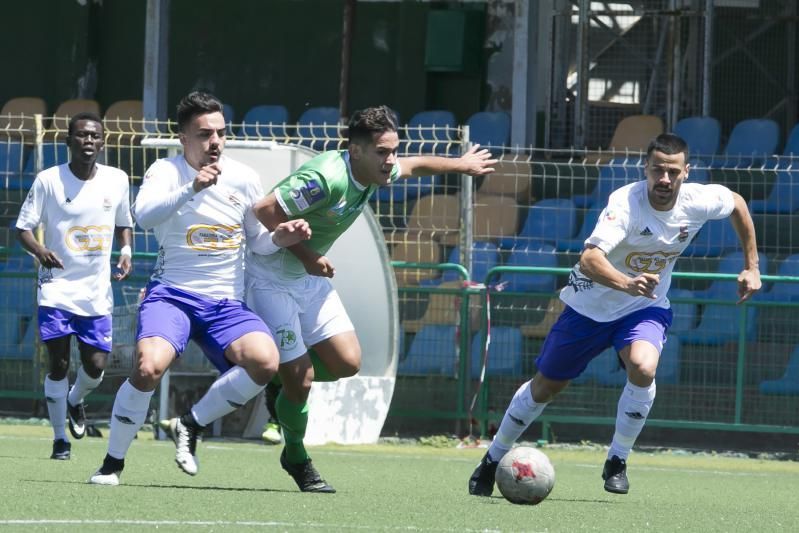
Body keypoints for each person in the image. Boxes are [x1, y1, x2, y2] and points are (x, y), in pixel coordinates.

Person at [468, 133, 762, 496]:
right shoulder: (625, 203)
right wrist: (625, 283)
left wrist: (753, 266)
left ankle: (617, 460)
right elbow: (589, 259)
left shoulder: (699, 200)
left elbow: (736, 203)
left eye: (672, 172)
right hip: (589, 308)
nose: (664, 180)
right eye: (657, 170)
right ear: (646, 169)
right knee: (546, 386)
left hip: (644, 307)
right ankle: (492, 458)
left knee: (643, 366)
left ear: (686, 172)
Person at [245, 105, 496, 492]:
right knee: (304, 380)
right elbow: (262, 211)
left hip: (307, 280)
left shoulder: (374, 169)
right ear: (356, 150)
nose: (391, 160)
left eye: (393, 150)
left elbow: (414, 166)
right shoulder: (326, 178)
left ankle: (281, 378)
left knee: (347, 363)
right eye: (382, 152)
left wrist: (460, 165)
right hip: (271, 279)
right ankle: (296, 456)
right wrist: (309, 256)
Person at [88, 91, 311, 485]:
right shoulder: (166, 171)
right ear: (183, 138)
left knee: (265, 361)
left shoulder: (243, 177)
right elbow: (143, 216)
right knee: (147, 367)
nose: (215, 143)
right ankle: (112, 464)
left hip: (225, 302)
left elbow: (257, 241)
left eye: (221, 134)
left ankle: (190, 425)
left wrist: (282, 237)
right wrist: (192, 187)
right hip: (172, 294)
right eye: (205, 134)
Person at [16, 112, 134, 460]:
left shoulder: (117, 180)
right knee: (58, 363)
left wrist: (125, 250)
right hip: (56, 288)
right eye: (81, 136)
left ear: (103, 142)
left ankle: (74, 400)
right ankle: (59, 441)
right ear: (68, 142)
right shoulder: (48, 180)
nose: (88, 141)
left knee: (96, 365)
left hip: (96, 292)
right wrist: (41, 251)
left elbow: (124, 222)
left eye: (94, 136)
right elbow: (23, 228)